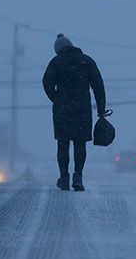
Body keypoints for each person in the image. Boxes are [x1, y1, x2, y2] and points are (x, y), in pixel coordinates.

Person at [42, 34, 106, 191]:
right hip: (82, 109)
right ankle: (78, 177)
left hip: (62, 109)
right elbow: (98, 86)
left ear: (58, 49)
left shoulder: (56, 62)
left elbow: (47, 82)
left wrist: (56, 98)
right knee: (80, 144)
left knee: (62, 144)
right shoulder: (86, 61)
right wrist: (101, 110)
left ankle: (64, 177)